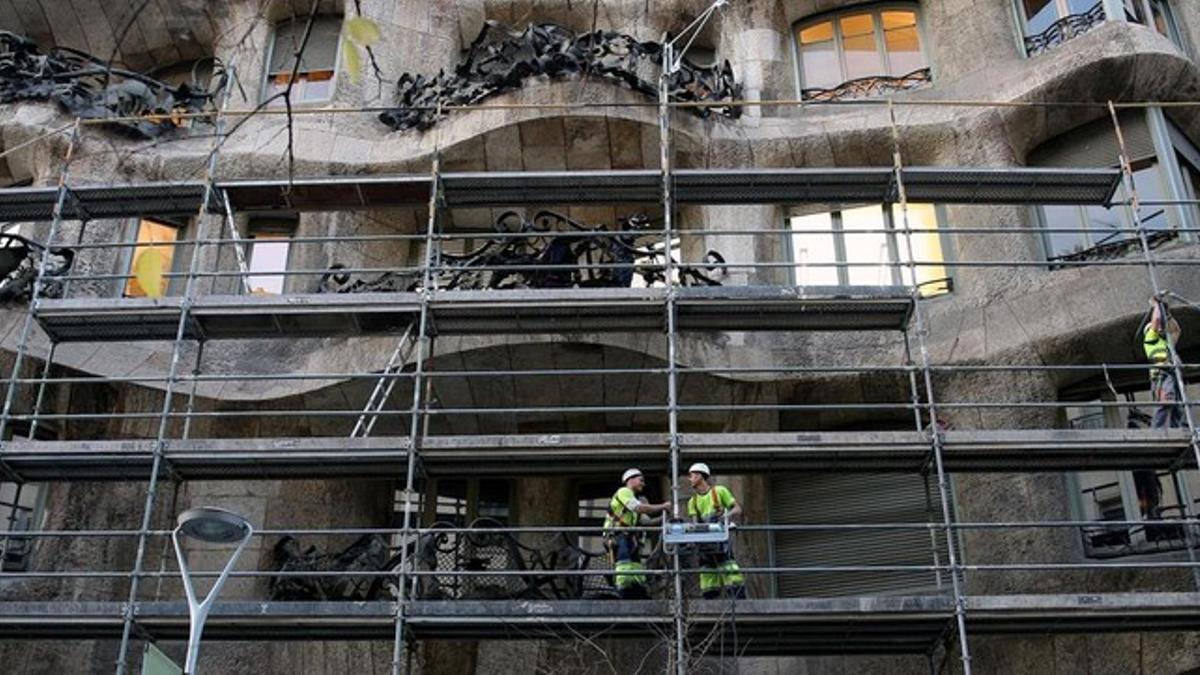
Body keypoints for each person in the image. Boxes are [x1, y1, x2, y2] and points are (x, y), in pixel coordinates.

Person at [604, 468, 671, 599]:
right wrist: (663, 506)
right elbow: (638, 508)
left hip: (628, 537)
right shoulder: (624, 492)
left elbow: (647, 522)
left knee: (635, 565)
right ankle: (623, 591)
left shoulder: (634, 499)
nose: (643, 484)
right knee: (624, 565)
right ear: (630, 480)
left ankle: (637, 590)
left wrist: (665, 519)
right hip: (617, 535)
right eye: (641, 480)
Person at [685, 462, 745, 599]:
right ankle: (711, 605)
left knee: (732, 575)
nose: (690, 479)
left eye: (692, 475)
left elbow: (737, 509)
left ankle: (739, 604)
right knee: (708, 579)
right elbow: (695, 526)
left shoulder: (719, 491)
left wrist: (725, 516)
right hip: (704, 545)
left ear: (700, 476)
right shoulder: (692, 502)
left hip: (721, 542)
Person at [1144, 297, 1183, 429]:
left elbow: (1176, 330)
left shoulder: (1166, 343)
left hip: (1172, 375)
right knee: (1166, 402)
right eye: (1157, 327)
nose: (1160, 327)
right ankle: (1157, 431)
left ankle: (1176, 429)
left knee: (1178, 407)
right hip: (1161, 374)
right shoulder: (1150, 339)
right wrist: (1156, 305)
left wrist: (1167, 313)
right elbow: (1156, 320)